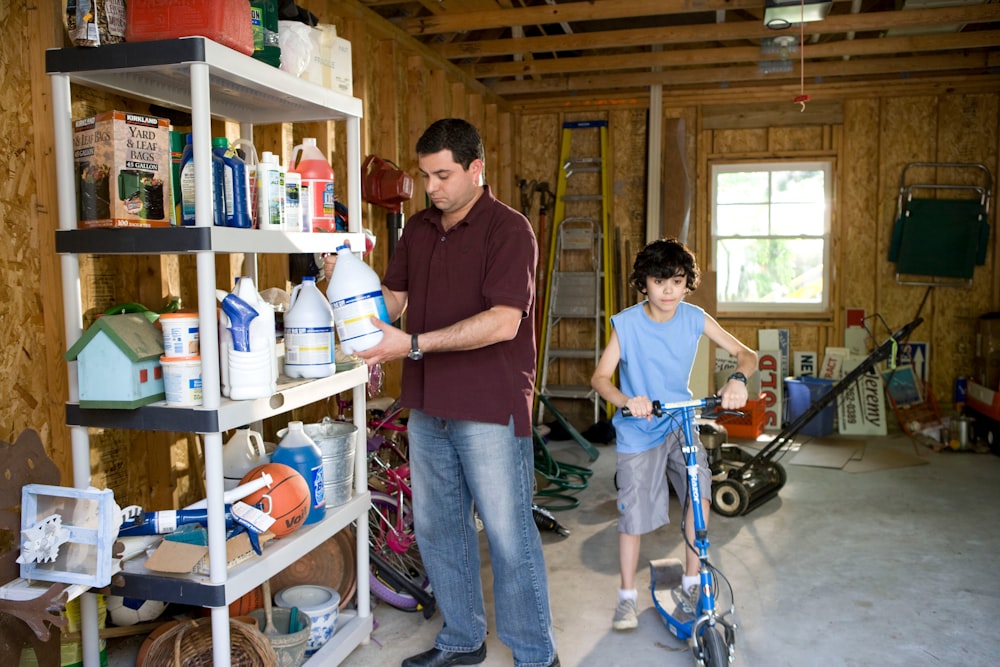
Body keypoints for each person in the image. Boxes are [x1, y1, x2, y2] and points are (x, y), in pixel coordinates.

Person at [326, 118, 559, 667]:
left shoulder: (510, 230)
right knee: (438, 529)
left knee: (507, 534)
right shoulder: (419, 229)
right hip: (428, 405)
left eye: (443, 174)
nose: (432, 187)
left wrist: (410, 345)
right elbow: (394, 301)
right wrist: (344, 282)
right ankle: (462, 640)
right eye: (426, 174)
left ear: (476, 169)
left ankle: (535, 654)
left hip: (488, 406)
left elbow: (503, 322)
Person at [590, 238, 758, 632]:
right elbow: (600, 378)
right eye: (658, 281)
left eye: (677, 282)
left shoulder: (694, 317)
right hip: (640, 429)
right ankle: (626, 598)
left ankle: (691, 583)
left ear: (687, 284)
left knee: (698, 500)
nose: (668, 291)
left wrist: (736, 378)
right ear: (643, 283)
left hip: (681, 422)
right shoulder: (627, 323)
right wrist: (628, 399)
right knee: (632, 514)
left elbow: (745, 354)